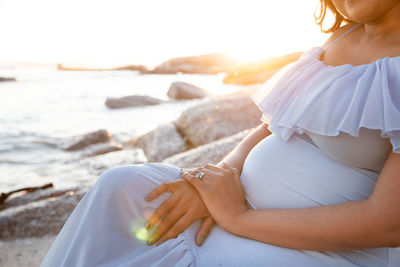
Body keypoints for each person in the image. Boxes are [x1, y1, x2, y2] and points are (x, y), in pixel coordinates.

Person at [42, 0, 400, 266]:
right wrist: (211, 185)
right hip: (241, 211)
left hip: (328, 250)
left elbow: (388, 225)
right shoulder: (340, 37)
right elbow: (270, 128)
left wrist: (238, 218)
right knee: (120, 189)